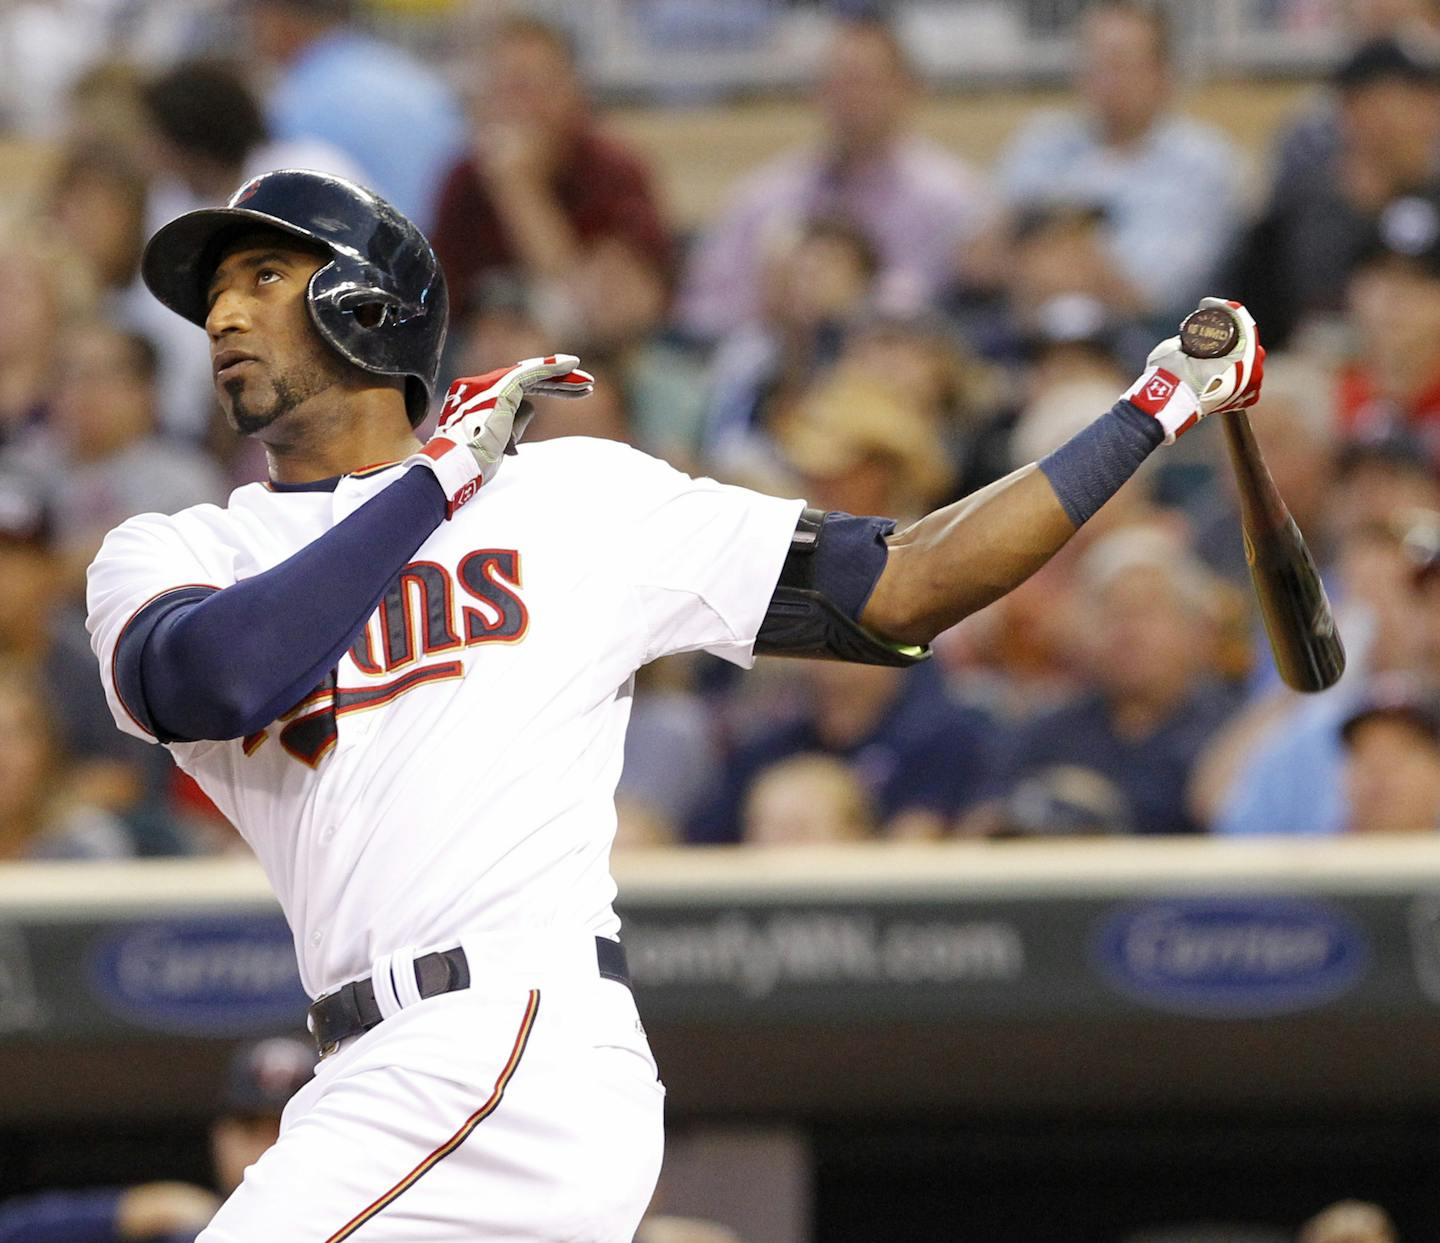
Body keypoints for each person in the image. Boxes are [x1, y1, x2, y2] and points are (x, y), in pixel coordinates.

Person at [85, 168, 1264, 1240]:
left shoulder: (571, 498)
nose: (224, 317)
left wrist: (1150, 409)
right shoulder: (185, 547)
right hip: (374, 1057)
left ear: (369, 303)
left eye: (264, 276)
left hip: (505, 1035)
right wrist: (440, 479)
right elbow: (218, 676)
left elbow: (906, 583)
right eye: (215, 296)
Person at [677, 13, 992, 342]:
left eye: (866, 81)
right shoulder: (762, 196)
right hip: (774, 369)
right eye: (837, 81)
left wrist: (854, 304)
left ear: (909, 90)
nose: (851, 97)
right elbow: (701, 310)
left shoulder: (954, 198)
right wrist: (769, 305)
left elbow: (965, 320)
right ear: (814, 94)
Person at [994, 2, 1244, 328]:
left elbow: (1157, 294)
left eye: (1121, 64)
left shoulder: (1203, 164)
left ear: (1164, 74)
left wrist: (1062, 260)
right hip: (1024, 329)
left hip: (1150, 339)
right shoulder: (1040, 143)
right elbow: (978, 258)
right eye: (1094, 63)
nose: (1105, 80)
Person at [0, 1036, 314, 1242]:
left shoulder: (353, 1221)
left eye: (284, 1126)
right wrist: (129, 1210)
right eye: (250, 1129)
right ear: (221, 1137)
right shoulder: (185, 1227)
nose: (267, 1146)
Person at [248, 0, 464, 231]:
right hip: (442, 250)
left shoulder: (302, 98)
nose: (252, 33)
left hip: (371, 252)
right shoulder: (405, 72)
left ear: (278, 18)